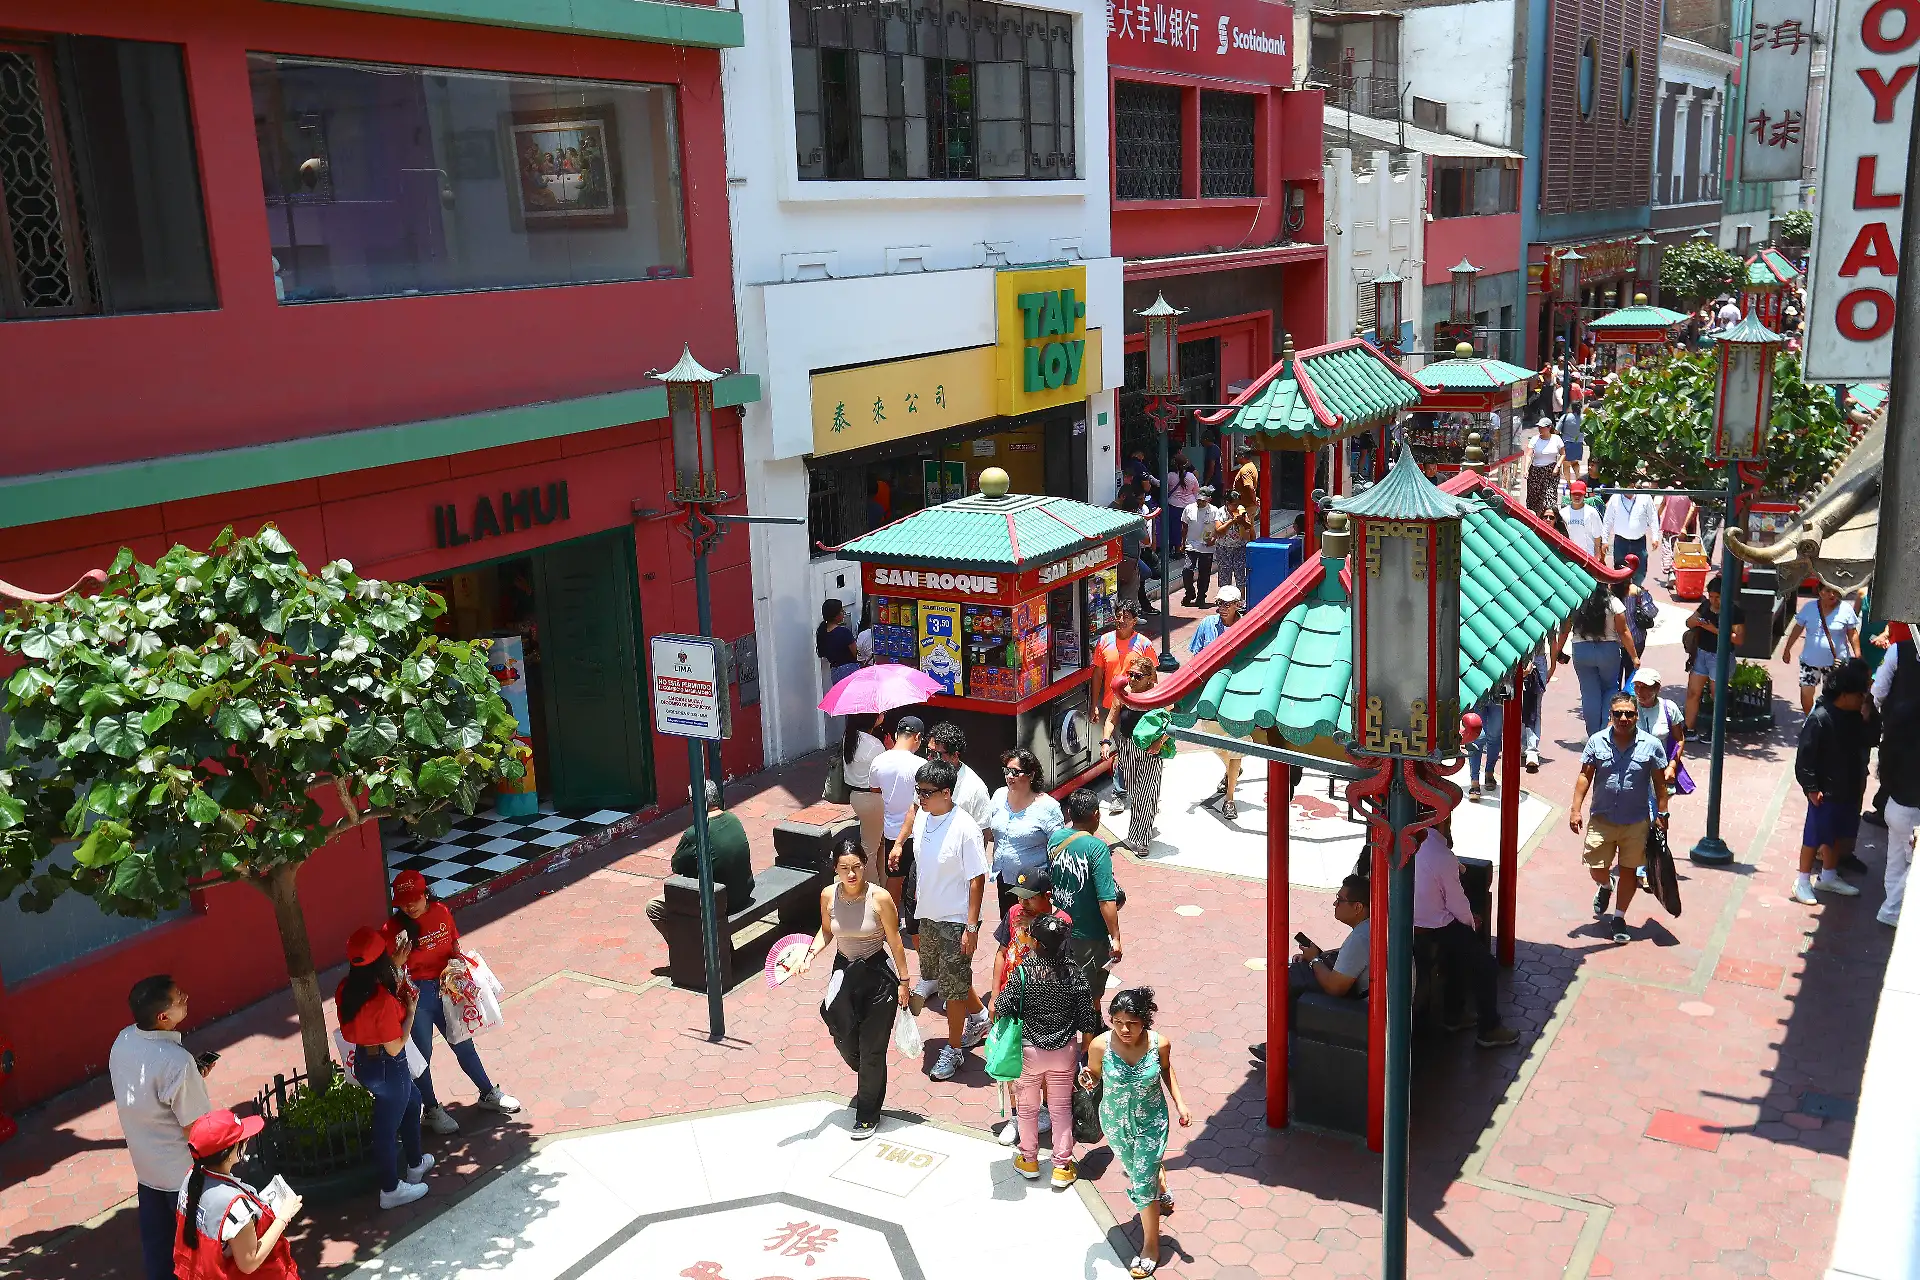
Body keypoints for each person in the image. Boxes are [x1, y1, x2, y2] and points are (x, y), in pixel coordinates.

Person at [383, 872, 520, 1136]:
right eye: (403, 901)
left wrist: (460, 967)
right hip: (415, 997)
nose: (410, 906)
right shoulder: (391, 930)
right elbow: (388, 972)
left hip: (447, 987)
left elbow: (453, 943)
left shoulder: (441, 912)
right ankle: (432, 1110)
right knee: (422, 1057)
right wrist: (398, 963)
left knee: (463, 1043)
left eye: (415, 899)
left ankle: (488, 1093)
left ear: (426, 894)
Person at [800, 832, 912, 1139]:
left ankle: (867, 1114)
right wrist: (809, 955)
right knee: (846, 1040)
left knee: (872, 1051)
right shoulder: (827, 896)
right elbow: (826, 932)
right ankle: (869, 1077)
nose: (851, 874)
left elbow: (895, 942)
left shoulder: (880, 898)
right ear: (835, 869)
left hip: (878, 975)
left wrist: (904, 981)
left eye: (857, 867)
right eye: (843, 868)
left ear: (865, 865)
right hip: (844, 972)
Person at [1082, 987, 1191, 1279]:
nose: (1124, 1029)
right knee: (1142, 1170)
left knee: (1141, 1184)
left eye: (1131, 1022)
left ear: (1145, 1020)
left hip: (1151, 1123)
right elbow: (1093, 1074)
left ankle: (1151, 1248)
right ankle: (1161, 1185)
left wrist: (1180, 1104)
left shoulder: (1160, 1044)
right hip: (1116, 1123)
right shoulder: (1100, 1046)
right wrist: (1087, 1078)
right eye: (1117, 1021)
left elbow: (1166, 1070)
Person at [111, 975, 213, 1280]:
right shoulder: (176, 1063)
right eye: (179, 997)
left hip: (147, 1169)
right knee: (199, 1255)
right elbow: (196, 1130)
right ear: (162, 1016)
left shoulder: (124, 1040)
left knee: (158, 1252)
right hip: (182, 1175)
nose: (186, 997)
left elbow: (147, 1090)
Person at [996, 914, 1099, 1187]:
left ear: (1036, 941)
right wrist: (1084, 1052)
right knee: (1061, 1109)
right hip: (1065, 1051)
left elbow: (1002, 1007)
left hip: (1029, 1051)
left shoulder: (1023, 971)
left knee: (1028, 1109)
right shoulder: (1075, 973)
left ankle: (1029, 1160)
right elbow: (1088, 1017)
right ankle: (1062, 1167)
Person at [334, 927, 432, 1208]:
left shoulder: (346, 989)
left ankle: (415, 1164)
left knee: (413, 1102)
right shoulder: (382, 1001)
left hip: (366, 1064)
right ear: (380, 963)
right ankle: (390, 1191)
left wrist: (395, 968)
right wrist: (411, 1010)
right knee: (386, 1130)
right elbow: (395, 1046)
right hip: (391, 1068)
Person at [907, 758, 991, 1081]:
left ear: (946, 792)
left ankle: (954, 1050)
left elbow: (977, 878)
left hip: (956, 921)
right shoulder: (923, 819)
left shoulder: (965, 828)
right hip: (928, 914)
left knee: (952, 991)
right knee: (946, 978)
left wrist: (970, 927)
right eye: (918, 791)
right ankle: (980, 1016)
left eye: (926, 792)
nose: (921, 798)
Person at [1569, 692, 1671, 942]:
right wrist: (1575, 809)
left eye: (1629, 713)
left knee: (1629, 870)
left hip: (1636, 822)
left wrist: (1662, 813)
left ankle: (1619, 917)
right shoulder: (1596, 741)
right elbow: (1585, 775)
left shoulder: (1651, 745)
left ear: (1637, 715)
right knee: (1596, 868)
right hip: (1602, 818)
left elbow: (1660, 785)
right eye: (1618, 714)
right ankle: (1605, 886)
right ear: (1611, 715)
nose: (1624, 718)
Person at [1412, 823, 1520, 1047]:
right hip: (1431, 926)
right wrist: (1472, 921)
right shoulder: (1440, 855)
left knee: (1456, 950)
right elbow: (1457, 903)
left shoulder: (1411, 841)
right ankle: (1489, 1028)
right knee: (1485, 965)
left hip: (1407, 923)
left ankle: (1455, 1013)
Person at [174, 1110, 302, 1279]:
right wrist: (283, 1217)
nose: (246, 1140)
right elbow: (249, 1262)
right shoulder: (235, 1208)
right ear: (226, 1154)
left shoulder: (191, 1178)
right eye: (240, 1139)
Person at [1791, 660, 1873, 905]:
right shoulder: (1819, 718)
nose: (1863, 698)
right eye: (1860, 694)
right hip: (1824, 791)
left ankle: (1828, 875)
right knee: (1814, 836)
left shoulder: (1852, 716)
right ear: (1845, 694)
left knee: (1836, 835)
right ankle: (1803, 881)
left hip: (1846, 787)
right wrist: (1811, 788)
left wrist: (1867, 716)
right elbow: (1804, 758)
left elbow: (1867, 740)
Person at [646, 780, 756, 935]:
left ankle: (685, 947)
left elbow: (677, 866)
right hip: (743, 894)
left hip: (721, 903)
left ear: (696, 803)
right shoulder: (734, 819)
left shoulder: (695, 833)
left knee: (653, 907)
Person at [1048, 788, 1124, 1006]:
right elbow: (1106, 900)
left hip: (1060, 927)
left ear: (1069, 813)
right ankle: (1088, 1034)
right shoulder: (1097, 848)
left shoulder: (1056, 838)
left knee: (1064, 982)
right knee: (1090, 995)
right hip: (1089, 934)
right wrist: (1115, 937)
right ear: (1097, 814)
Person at [1872, 628, 1919, 927]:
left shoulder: (1897, 651)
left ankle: (1891, 909)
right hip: (1910, 810)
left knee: (1895, 859)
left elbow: (1878, 694)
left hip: (1894, 799)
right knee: (1911, 865)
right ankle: (1891, 911)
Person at [984, 749, 1064, 916]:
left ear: (1031, 775)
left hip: (1032, 887)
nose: (1009, 776)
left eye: (1015, 772)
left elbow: (1059, 849)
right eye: (1007, 771)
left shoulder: (1048, 807)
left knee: (1033, 932)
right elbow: (991, 832)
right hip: (1004, 879)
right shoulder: (999, 796)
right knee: (1010, 928)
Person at [1189, 587, 1247, 817]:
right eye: (1220, 603)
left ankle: (1229, 799)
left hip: (1237, 693)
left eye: (1227, 603)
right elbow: (1196, 657)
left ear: (1237, 605)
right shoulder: (1207, 625)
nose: (1222, 608)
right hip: (1211, 694)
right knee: (1213, 739)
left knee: (1237, 745)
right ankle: (1233, 769)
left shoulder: (1246, 625)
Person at [1104, 653, 1170, 853]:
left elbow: (1172, 722)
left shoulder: (1159, 695)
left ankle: (1141, 840)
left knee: (1146, 794)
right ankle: (1143, 824)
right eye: (1130, 675)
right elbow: (1111, 719)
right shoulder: (1123, 694)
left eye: (1138, 676)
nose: (1132, 679)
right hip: (1127, 746)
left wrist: (1159, 742)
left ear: (1150, 678)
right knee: (1135, 793)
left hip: (1151, 748)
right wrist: (1106, 741)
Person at [1092, 603, 1155, 811]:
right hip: (1111, 705)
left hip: (1135, 708)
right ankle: (1120, 793)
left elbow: (1152, 677)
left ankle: (1132, 790)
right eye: (1118, 616)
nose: (1121, 620)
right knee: (1122, 750)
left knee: (1130, 751)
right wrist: (1093, 704)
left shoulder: (1144, 644)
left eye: (1126, 617)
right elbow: (1098, 674)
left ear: (1134, 621)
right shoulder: (1104, 641)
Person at [874, 716, 926, 927]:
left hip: (891, 831)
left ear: (896, 735)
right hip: (918, 832)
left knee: (894, 879)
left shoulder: (879, 761)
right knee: (919, 879)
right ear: (918, 737)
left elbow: (875, 790)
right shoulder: (922, 765)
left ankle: (889, 923)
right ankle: (918, 921)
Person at [1568, 584, 1637, 736]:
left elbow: (1565, 627)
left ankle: (1593, 735)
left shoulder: (1577, 599)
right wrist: (1634, 656)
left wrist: (1557, 652)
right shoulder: (1613, 601)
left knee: (1589, 693)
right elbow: (1623, 631)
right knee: (1610, 688)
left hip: (1581, 649)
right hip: (1608, 649)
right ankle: (1606, 732)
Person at [1783, 584, 1863, 715]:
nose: (1832, 595)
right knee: (1806, 693)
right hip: (1810, 662)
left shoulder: (1846, 609)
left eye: (1835, 591)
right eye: (1828, 591)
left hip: (1836, 663)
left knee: (1834, 697)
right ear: (1820, 592)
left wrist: (1857, 655)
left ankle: (1830, 723)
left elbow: (1852, 633)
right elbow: (1797, 629)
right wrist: (1787, 649)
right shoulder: (1809, 608)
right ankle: (1811, 720)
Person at [1289, 874, 1372, 1000]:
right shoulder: (1370, 927)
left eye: (1340, 899)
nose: (1335, 904)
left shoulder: (1360, 938)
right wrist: (1320, 955)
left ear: (1357, 907)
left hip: (1366, 1010)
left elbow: (1334, 988)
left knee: (1293, 983)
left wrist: (1314, 959)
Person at [1682, 577, 1744, 732]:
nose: (1714, 601)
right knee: (1693, 692)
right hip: (1702, 654)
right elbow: (1689, 622)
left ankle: (1716, 733)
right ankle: (1689, 729)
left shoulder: (1733, 612)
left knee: (1717, 696)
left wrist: (1713, 629)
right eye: (1711, 597)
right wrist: (1697, 622)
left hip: (1720, 657)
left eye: (1718, 597)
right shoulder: (1705, 606)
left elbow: (1739, 639)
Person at [843, 714, 888, 880]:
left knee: (878, 843)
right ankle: (873, 892)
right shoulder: (874, 745)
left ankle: (884, 884)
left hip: (856, 796)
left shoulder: (850, 738)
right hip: (872, 800)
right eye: (879, 712)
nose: (883, 713)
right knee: (869, 849)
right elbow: (884, 775)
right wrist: (889, 750)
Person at [1602, 486, 1656, 586]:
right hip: (1620, 542)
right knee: (1620, 571)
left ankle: (1636, 589)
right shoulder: (1615, 498)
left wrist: (1655, 537)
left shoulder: (1645, 497)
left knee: (1640, 571)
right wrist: (1604, 540)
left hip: (1639, 542)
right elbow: (1608, 520)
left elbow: (1652, 517)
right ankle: (1622, 593)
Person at [1465, 680, 1506, 802]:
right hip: (1476, 689)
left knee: (1495, 735)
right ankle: (1474, 781)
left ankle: (1489, 773)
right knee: (1477, 737)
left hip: (1498, 689)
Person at [1180, 485, 1221, 608]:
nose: (1200, 502)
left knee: (1204, 573)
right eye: (1199, 499)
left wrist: (1213, 539)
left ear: (1209, 500)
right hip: (1191, 545)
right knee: (1187, 569)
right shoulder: (1189, 509)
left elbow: (1218, 528)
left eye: (1203, 500)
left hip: (1206, 547)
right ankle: (1190, 592)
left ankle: (1201, 596)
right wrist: (1182, 543)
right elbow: (1184, 527)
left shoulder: (1214, 511)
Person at [1212, 492, 1256, 595]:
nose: (1236, 506)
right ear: (1227, 503)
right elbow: (1219, 530)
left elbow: (1249, 526)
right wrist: (1231, 521)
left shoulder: (1241, 510)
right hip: (1223, 548)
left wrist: (1242, 521)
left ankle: (1240, 601)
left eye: (1238, 504)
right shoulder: (1220, 512)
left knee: (1240, 575)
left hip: (1239, 547)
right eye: (1234, 504)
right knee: (1224, 575)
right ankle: (1225, 599)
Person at [817, 600, 860, 689]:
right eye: (841, 611)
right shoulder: (844, 632)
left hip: (835, 672)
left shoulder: (823, 633)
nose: (844, 613)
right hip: (849, 670)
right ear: (835, 616)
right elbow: (855, 653)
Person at [1525, 417, 1564, 515]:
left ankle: (1549, 521)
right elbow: (1529, 455)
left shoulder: (1556, 439)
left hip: (1551, 471)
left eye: (1542, 427)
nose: (1540, 429)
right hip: (1536, 472)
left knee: (1549, 499)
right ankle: (1535, 520)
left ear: (1549, 427)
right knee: (1534, 499)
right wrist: (1526, 469)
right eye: (1539, 427)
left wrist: (1558, 466)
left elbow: (1563, 454)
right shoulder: (1535, 439)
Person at [1658, 495, 1696, 589]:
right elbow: (1693, 508)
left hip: (1670, 526)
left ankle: (1671, 572)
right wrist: (1684, 527)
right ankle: (1677, 576)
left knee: (1668, 550)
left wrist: (1656, 518)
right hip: (1684, 528)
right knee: (1681, 553)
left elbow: (1662, 505)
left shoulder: (1669, 489)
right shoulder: (1689, 491)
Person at [1561, 481, 1604, 560]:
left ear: (1584, 495)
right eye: (1574, 494)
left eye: (1580, 494)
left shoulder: (1592, 512)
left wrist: (1597, 554)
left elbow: (1597, 535)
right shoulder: (1563, 513)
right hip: (1569, 555)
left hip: (1588, 555)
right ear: (1570, 495)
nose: (1577, 497)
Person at [1558, 401, 1584, 486]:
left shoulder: (1565, 417)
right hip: (1579, 444)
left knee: (1566, 464)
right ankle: (1578, 479)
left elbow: (1557, 430)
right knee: (1575, 463)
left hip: (1567, 443)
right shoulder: (1583, 418)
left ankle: (1569, 483)